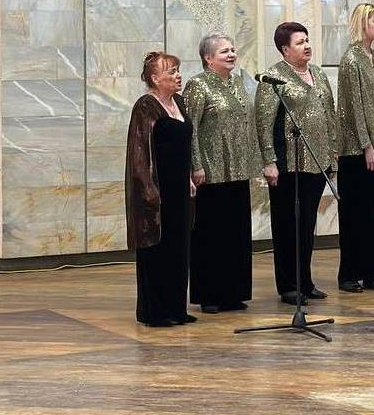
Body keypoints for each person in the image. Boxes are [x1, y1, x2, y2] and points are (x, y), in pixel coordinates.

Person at [255, 22, 338, 305]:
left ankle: (306, 280)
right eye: (300, 42)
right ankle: (289, 285)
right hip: (288, 164)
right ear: (284, 49)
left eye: (307, 40)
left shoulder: (318, 74)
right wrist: (269, 161)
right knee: (287, 225)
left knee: (307, 226)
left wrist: (332, 156)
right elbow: (264, 123)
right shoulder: (273, 78)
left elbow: (330, 116)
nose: (307, 46)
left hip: (316, 161)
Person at [182, 34, 258, 314]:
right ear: (208, 58)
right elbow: (190, 129)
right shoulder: (197, 86)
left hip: (238, 170)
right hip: (210, 173)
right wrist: (196, 164)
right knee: (210, 236)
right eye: (224, 51)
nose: (231, 55)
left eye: (233, 50)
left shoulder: (237, 83)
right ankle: (210, 294)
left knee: (236, 235)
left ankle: (233, 292)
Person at [125, 52, 196, 327]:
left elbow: (184, 146)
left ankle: (176, 308)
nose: (178, 76)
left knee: (179, 247)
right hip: (156, 188)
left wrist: (189, 175)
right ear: (155, 78)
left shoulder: (178, 102)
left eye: (178, 70)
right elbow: (139, 151)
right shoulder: (146, 106)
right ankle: (155, 311)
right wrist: (148, 189)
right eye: (171, 72)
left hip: (179, 187)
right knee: (158, 247)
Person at [336, 4, 374, 293]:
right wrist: (367, 146)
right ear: (363, 23)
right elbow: (353, 108)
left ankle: (373, 271)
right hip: (355, 149)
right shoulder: (351, 59)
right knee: (355, 213)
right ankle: (349, 273)